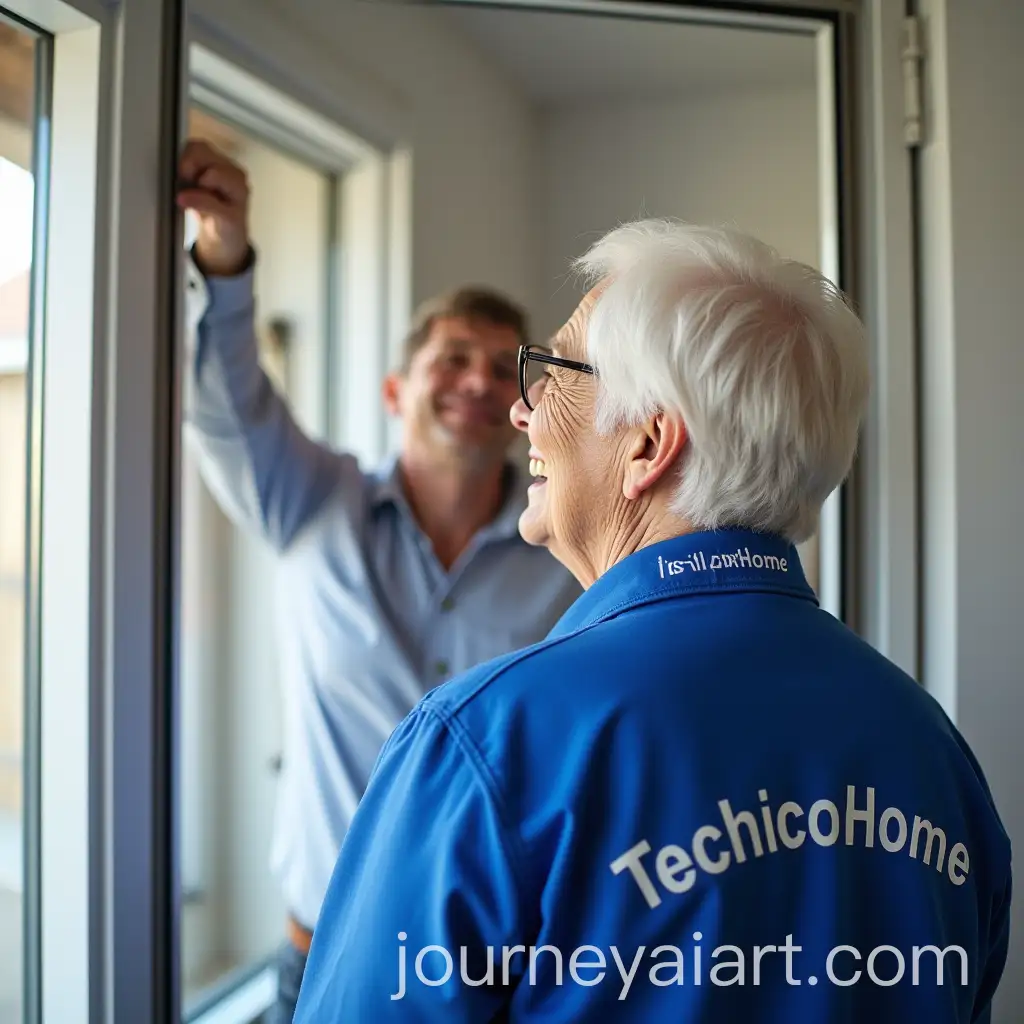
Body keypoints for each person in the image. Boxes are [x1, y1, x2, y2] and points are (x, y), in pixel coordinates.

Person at [293, 220, 1012, 1022]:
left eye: (554, 375)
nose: (521, 413)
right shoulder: (933, 747)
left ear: (648, 443)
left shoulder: (488, 743)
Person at [176, 138, 582, 1022]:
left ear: (525, 406)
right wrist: (224, 253)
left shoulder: (567, 555)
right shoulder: (311, 503)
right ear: (398, 390)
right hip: (318, 961)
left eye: (502, 365)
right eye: (453, 358)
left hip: (491, 977)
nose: (478, 380)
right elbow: (225, 403)